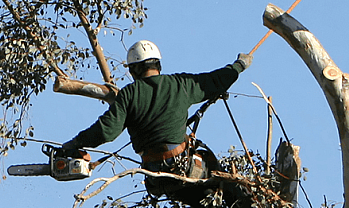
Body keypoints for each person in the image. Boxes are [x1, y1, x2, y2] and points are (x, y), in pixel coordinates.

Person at [62, 40, 252, 191]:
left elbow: (106, 131)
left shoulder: (129, 94)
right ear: (158, 64)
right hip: (186, 168)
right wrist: (238, 66)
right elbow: (213, 81)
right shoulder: (179, 84)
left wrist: (76, 142)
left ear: (133, 69)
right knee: (227, 187)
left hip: (156, 177)